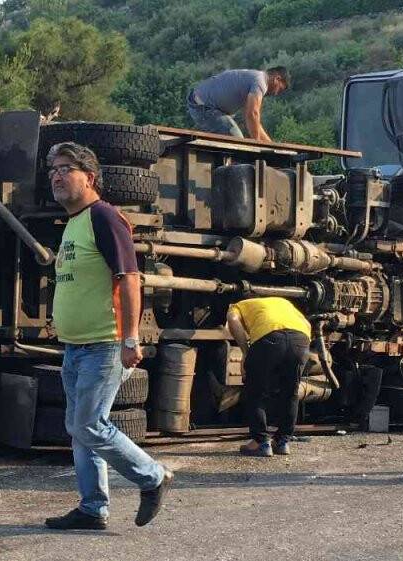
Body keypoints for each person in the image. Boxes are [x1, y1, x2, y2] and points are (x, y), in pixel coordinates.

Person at [42, 142, 172, 531]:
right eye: (53, 169)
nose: (57, 176)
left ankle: (152, 476)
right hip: (75, 348)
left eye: (66, 168)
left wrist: (130, 338)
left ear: (90, 177)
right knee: (80, 430)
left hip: (104, 344)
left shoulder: (104, 218)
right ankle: (92, 507)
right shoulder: (74, 223)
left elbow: (129, 278)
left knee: (89, 425)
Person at [226, 297, 312, 457]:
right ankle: (283, 441)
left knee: (256, 391)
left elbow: (232, 320)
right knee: (290, 392)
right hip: (300, 339)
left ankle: (261, 442)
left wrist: (245, 351)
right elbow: (307, 325)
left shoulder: (237, 306)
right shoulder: (284, 303)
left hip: (269, 338)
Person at [186, 67, 290, 142]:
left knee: (235, 139)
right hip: (204, 108)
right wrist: (258, 145)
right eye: (279, 89)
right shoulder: (261, 81)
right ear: (277, 78)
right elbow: (253, 114)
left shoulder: (253, 79)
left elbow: (254, 121)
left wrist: (269, 144)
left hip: (203, 105)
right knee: (237, 142)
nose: (276, 93)